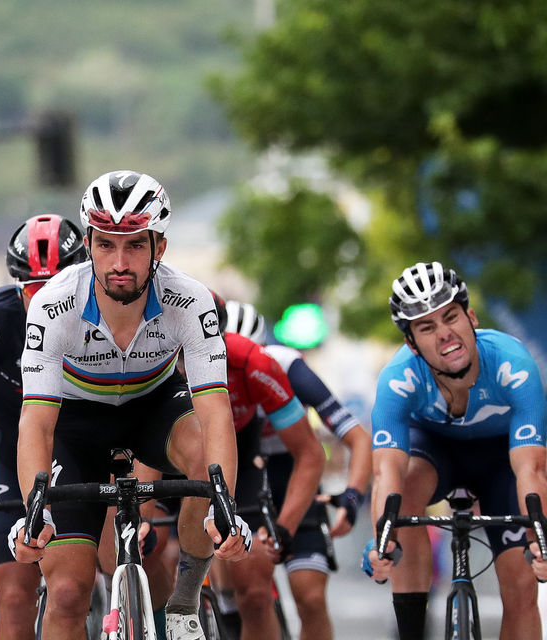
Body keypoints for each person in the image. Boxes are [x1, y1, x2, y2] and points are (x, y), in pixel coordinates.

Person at [10, 169, 252, 640]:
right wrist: (34, 512)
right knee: (66, 594)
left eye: (135, 245)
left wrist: (223, 507)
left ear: (159, 248)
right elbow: (36, 425)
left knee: (206, 460)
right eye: (106, 245)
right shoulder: (53, 305)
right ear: (90, 245)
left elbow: (215, 412)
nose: (119, 261)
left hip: (153, 407)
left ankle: (183, 605)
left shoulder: (191, 300)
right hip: (76, 425)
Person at [365, 261, 547, 640]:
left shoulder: (514, 365)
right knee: (406, 492)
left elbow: (532, 468)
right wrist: (383, 539)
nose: (445, 334)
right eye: (427, 327)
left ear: (472, 317)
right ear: (411, 343)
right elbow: (387, 473)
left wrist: (540, 538)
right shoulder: (398, 379)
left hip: (502, 460)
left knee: (522, 588)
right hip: (435, 453)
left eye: (451, 317)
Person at [0, 213, 87, 640]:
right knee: (15, 596)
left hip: (80, 441)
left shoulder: (107, 313)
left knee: (113, 560)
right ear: (16, 287)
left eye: (60, 288)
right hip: (11, 446)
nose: (48, 300)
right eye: (34, 290)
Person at [218, 296, 371, 640]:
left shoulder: (285, 366)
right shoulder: (210, 372)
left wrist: (352, 496)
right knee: (253, 595)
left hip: (294, 477)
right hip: (245, 474)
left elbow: (358, 439)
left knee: (311, 598)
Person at [207, 303, 326, 639]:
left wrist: (352, 494)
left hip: (276, 471)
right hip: (225, 460)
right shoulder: (174, 361)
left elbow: (329, 444)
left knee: (305, 598)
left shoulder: (276, 364)